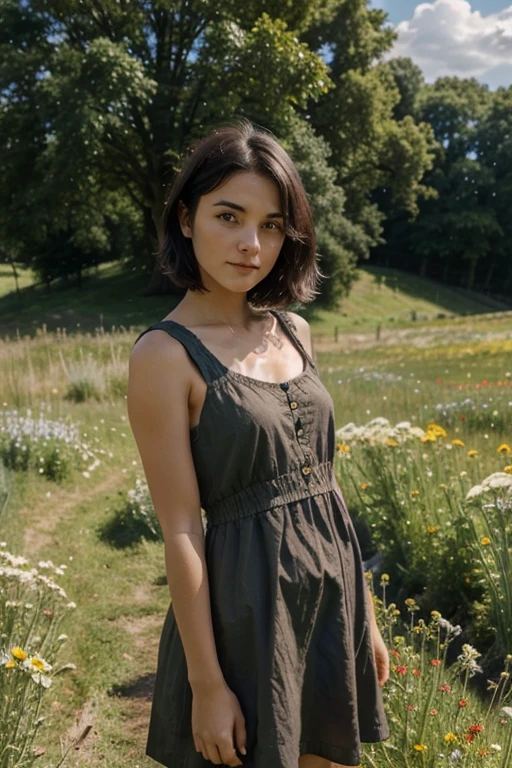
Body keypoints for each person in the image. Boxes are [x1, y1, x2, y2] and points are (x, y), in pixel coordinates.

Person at [127, 120, 390, 768]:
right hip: (245, 612)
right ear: (186, 219)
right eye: (230, 216)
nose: (252, 244)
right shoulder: (164, 355)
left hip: (330, 598)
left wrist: (367, 618)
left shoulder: (294, 330)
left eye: (272, 224)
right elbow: (183, 528)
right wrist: (207, 684)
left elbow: (327, 485)